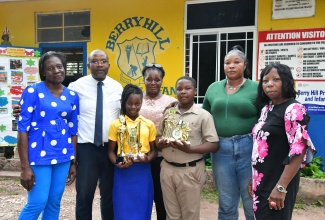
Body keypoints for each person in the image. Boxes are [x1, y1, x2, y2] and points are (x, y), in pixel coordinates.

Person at [17, 51, 79, 219]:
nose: (56, 71)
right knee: (37, 202)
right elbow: (22, 130)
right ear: (43, 72)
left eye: (59, 66)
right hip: (39, 155)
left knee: (54, 202)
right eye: (50, 68)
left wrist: (73, 162)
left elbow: (73, 131)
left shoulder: (72, 95)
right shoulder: (32, 91)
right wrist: (25, 167)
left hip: (63, 155)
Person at [250, 63, 316, 219]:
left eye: (276, 79)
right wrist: (251, 178)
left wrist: (281, 187)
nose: (269, 84)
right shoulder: (267, 109)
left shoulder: (294, 109)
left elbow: (298, 151)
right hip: (261, 179)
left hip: (279, 180)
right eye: (265, 81)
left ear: (285, 81)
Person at [202, 47, 258, 220]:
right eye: (227, 63)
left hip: (249, 147)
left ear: (245, 65)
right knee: (226, 202)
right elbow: (204, 116)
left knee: (251, 200)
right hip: (221, 149)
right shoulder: (213, 88)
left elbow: (267, 119)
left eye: (236, 62)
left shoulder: (256, 88)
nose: (231, 66)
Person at [68, 49, 123, 220]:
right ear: (88, 65)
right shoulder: (75, 87)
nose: (99, 65)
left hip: (111, 150)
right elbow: (63, 113)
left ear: (108, 64)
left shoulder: (117, 87)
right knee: (84, 195)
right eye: (95, 61)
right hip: (87, 149)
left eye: (103, 61)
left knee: (109, 196)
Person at [156, 76, 219, 220]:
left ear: (195, 91)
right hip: (167, 169)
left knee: (190, 214)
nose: (183, 92)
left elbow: (214, 144)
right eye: (179, 89)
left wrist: (190, 149)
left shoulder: (203, 115)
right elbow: (157, 139)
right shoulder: (169, 113)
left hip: (189, 170)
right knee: (171, 214)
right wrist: (162, 143)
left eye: (187, 88)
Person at [108, 84, 158, 220]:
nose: (133, 107)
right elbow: (111, 152)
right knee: (122, 210)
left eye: (137, 103)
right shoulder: (116, 124)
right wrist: (118, 163)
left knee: (143, 209)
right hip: (123, 172)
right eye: (130, 103)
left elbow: (154, 152)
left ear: (142, 103)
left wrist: (147, 159)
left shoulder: (149, 124)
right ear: (124, 102)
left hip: (142, 173)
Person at [139, 63, 177, 220]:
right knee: (141, 198)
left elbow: (172, 130)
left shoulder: (172, 102)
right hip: (139, 157)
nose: (153, 83)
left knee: (162, 199)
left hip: (162, 157)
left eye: (157, 79)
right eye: (149, 79)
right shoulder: (136, 99)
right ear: (144, 80)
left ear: (162, 81)